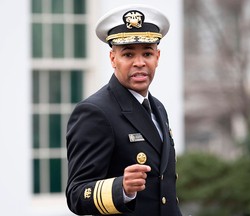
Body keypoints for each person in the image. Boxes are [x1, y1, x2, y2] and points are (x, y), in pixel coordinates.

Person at [66, 4, 182, 216]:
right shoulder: (94, 112)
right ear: (113, 59)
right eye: (128, 55)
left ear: (157, 57)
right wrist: (122, 189)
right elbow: (76, 194)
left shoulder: (158, 108)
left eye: (147, 53)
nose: (139, 63)